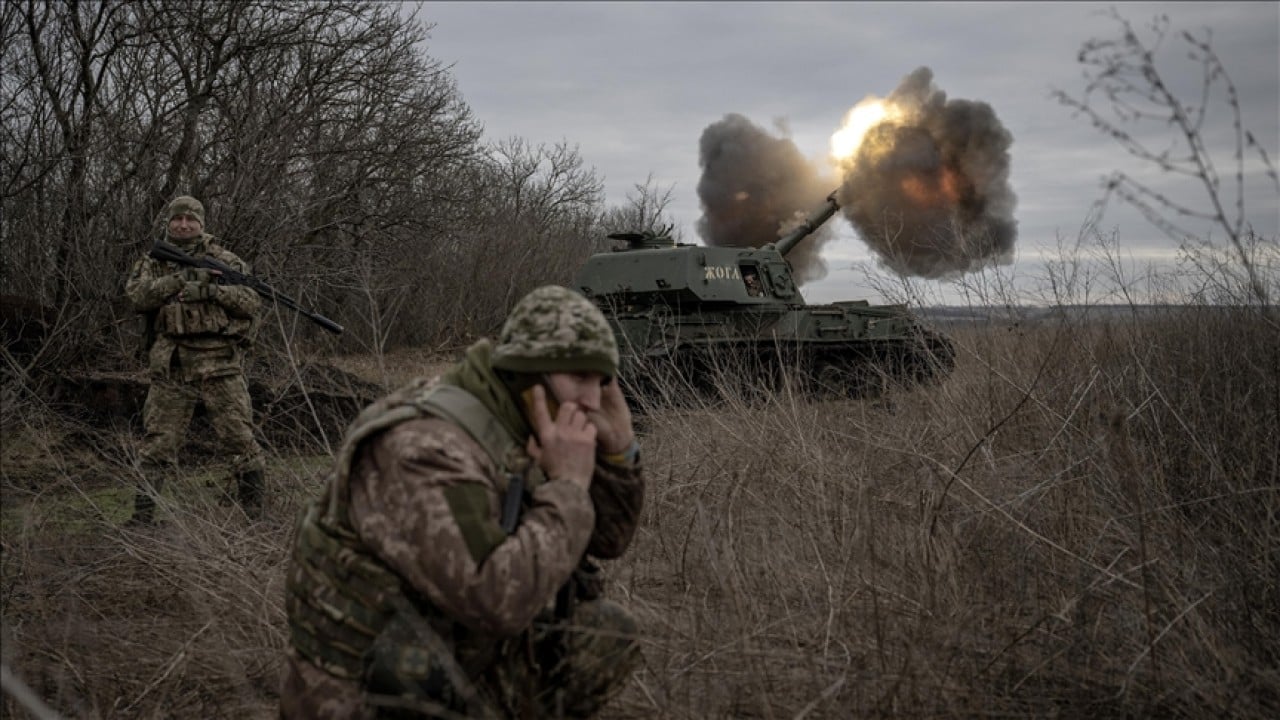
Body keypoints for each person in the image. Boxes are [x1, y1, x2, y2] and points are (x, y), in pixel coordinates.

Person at [280, 285, 645, 719]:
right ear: (527, 374)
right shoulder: (426, 446)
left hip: (448, 651)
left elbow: (608, 539)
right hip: (362, 690)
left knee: (603, 634)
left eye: (602, 380)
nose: (591, 399)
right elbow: (494, 601)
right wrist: (567, 485)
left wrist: (619, 452)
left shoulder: (523, 418)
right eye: (578, 378)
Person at [124, 195, 266, 523]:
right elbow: (137, 297)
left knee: (239, 439)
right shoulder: (152, 261)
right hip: (171, 364)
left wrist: (213, 291)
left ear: (201, 224)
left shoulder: (224, 259)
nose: (184, 225)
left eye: (191, 220)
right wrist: (178, 281)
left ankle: (257, 517)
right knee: (158, 443)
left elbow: (251, 302)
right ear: (169, 222)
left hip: (220, 362)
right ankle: (141, 521)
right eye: (178, 219)